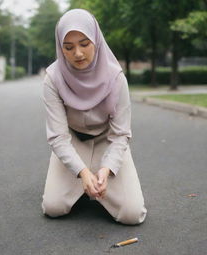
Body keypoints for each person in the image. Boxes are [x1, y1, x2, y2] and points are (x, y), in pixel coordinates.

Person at [41, 8, 147, 225]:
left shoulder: (116, 78)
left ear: (96, 41)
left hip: (107, 142)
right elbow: (58, 137)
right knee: (54, 207)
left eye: (84, 43)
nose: (78, 53)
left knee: (132, 214)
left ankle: (93, 186)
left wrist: (106, 169)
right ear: (61, 48)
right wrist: (82, 172)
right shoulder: (53, 79)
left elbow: (121, 135)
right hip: (72, 142)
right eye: (68, 47)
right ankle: (83, 186)